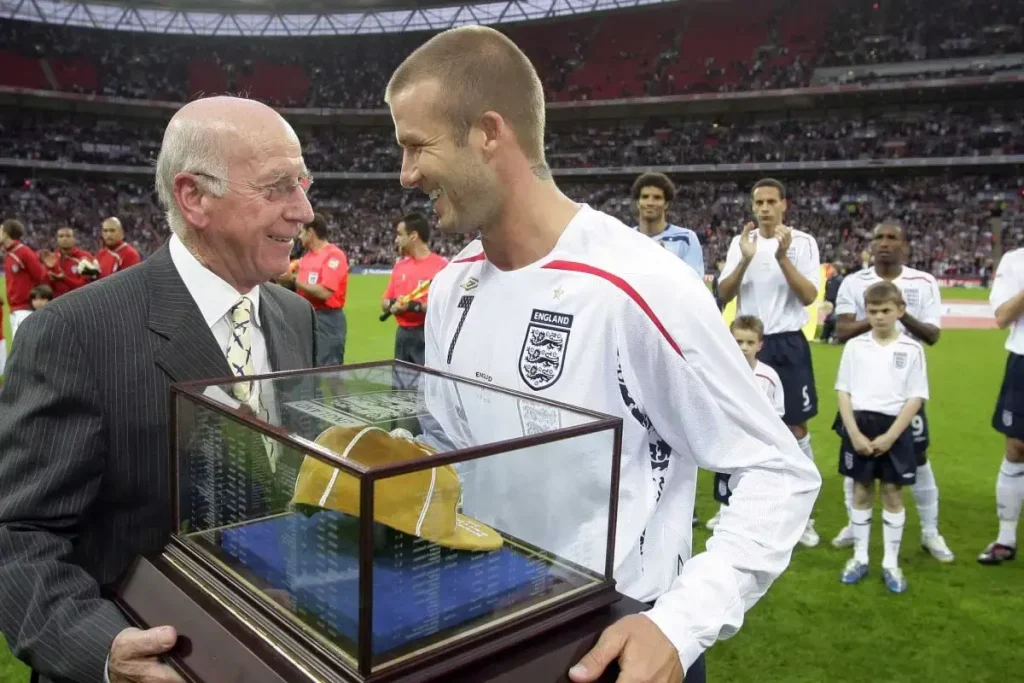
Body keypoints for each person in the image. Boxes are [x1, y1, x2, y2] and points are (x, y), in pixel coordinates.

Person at [385, 25, 820, 683]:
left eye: (418, 146)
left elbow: (777, 470)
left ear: (489, 133)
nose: (406, 173)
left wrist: (679, 624)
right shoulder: (454, 285)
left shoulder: (639, 284)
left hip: (616, 636)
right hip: (488, 617)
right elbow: (453, 437)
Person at [0, 95, 318, 683]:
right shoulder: (74, 332)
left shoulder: (296, 318)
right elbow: (21, 533)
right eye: (277, 186)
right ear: (194, 197)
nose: (303, 209)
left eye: (302, 182)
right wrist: (101, 647)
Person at [830, 222, 954, 562]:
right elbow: (841, 331)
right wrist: (877, 319)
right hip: (862, 386)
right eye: (878, 238)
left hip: (903, 389)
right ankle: (855, 530)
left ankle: (930, 531)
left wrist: (899, 313)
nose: (884, 244)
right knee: (856, 463)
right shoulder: (855, 282)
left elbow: (932, 334)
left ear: (905, 246)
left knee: (919, 458)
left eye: (892, 238)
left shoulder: (922, 282)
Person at [716, 178, 822, 548]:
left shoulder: (802, 242)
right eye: (758, 202)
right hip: (746, 344)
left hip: (787, 342)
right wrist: (745, 260)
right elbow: (723, 293)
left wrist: (781, 257)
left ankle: (803, 514)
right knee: (741, 424)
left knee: (794, 427)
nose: (764, 208)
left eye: (771, 201)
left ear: (783, 204)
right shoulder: (739, 243)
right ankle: (733, 503)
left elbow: (809, 296)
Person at [834, 281, 929, 593]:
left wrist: (890, 436)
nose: (879, 316)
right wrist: (854, 433)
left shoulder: (912, 349)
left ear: (900, 310)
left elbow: (916, 398)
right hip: (859, 424)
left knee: (892, 493)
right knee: (861, 491)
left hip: (895, 427)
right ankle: (860, 557)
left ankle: (890, 562)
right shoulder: (854, 346)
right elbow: (843, 391)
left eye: (886, 310)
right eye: (873, 311)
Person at [706, 315, 785, 530]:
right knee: (726, 478)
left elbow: (778, 412)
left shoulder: (768, 377)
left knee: (752, 484)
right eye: (738, 342)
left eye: (750, 342)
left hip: (757, 443)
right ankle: (724, 512)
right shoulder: (720, 373)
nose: (743, 348)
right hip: (729, 441)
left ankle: (748, 521)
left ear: (760, 344)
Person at [978, 245, 1024, 565]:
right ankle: (1005, 539)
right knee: (1016, 448)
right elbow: (1002, 316)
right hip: (1023, 360)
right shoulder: (1014, 260)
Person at [278, 213, 349, 366]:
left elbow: (324, 293)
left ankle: (339, 392)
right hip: (305, 316)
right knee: (309, 368)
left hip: (327, 320)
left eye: (302, 232)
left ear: (311, 233)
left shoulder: (334, 255)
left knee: (330, 371)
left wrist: (293, 280)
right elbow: (297, 288)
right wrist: (283, 280)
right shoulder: (307, 257)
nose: (299, 237)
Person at [381, 212, 449, 365]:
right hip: (403, 335)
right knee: (400, 387)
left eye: (400, 234)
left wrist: (412, 306)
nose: (396, 239)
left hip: (428, 334)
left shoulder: (441, 267)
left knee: (425, 386)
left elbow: (445, 308)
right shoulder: (400, 266)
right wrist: (394, 304)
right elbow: (384, 302)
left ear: (413, 236)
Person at [632, 172, 704, 277]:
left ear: (666, 204)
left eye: (657, 198)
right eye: (645, 197)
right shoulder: (625, 237)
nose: (650, 202)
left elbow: (694, 284)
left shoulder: (685, 238)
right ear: (638, 203)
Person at [1, 218, 47, 340]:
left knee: (26, 350)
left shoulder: (23, 252)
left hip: (25, 309)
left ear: (6, 233)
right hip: (14, 309)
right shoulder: (9, 254)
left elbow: (40, 276)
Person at [41, 226, 97, 297]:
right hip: (58, 303)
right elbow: (44, 287)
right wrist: (49, 269)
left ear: (74, 239)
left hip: (79, 300)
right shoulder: (52, 258)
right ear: (57, 239)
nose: (64, 239)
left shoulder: (85, 257)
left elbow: (84, 286)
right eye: (61, 236)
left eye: (68, 236)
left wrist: (65, 279)